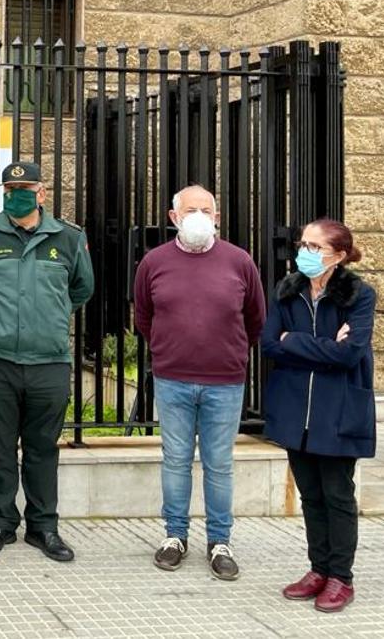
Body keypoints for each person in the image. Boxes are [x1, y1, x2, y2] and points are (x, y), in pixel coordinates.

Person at [0, 161, 93, 562]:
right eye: (10, 188)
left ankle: (44, 526)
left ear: (42, 193)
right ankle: (0, 523)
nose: (17, 194)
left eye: (25, 187)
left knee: (43, 448)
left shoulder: (68, 238)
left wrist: (47, 319)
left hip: (49, 361)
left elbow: (81, 289)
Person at [133, 185, 266, 581]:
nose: (199, 216)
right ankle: (175, 536)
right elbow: (144, 315)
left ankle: (219, 541)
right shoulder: (153, 262)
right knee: (175, 461)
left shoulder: (239, 261)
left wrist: (230, 352)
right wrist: (166, 347)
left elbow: (255, 318)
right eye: (190, 209)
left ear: (217, 216)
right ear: (173, 217)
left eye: (206, 209)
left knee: (219, 464)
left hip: (224, 381)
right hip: (173, 378)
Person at [261, 218, 375, 613]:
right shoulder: (287, 291)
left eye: (314, 247)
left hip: (339, 409)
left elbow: (351, 354)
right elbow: (269, 345)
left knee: (337, 494)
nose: (303, 252)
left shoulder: (358, 295)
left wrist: (295, 341)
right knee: (310, 493)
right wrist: (317, 344)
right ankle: (318, 569)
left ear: (339, 255)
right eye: (302, 244)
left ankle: (340, 577)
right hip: (296, 410)